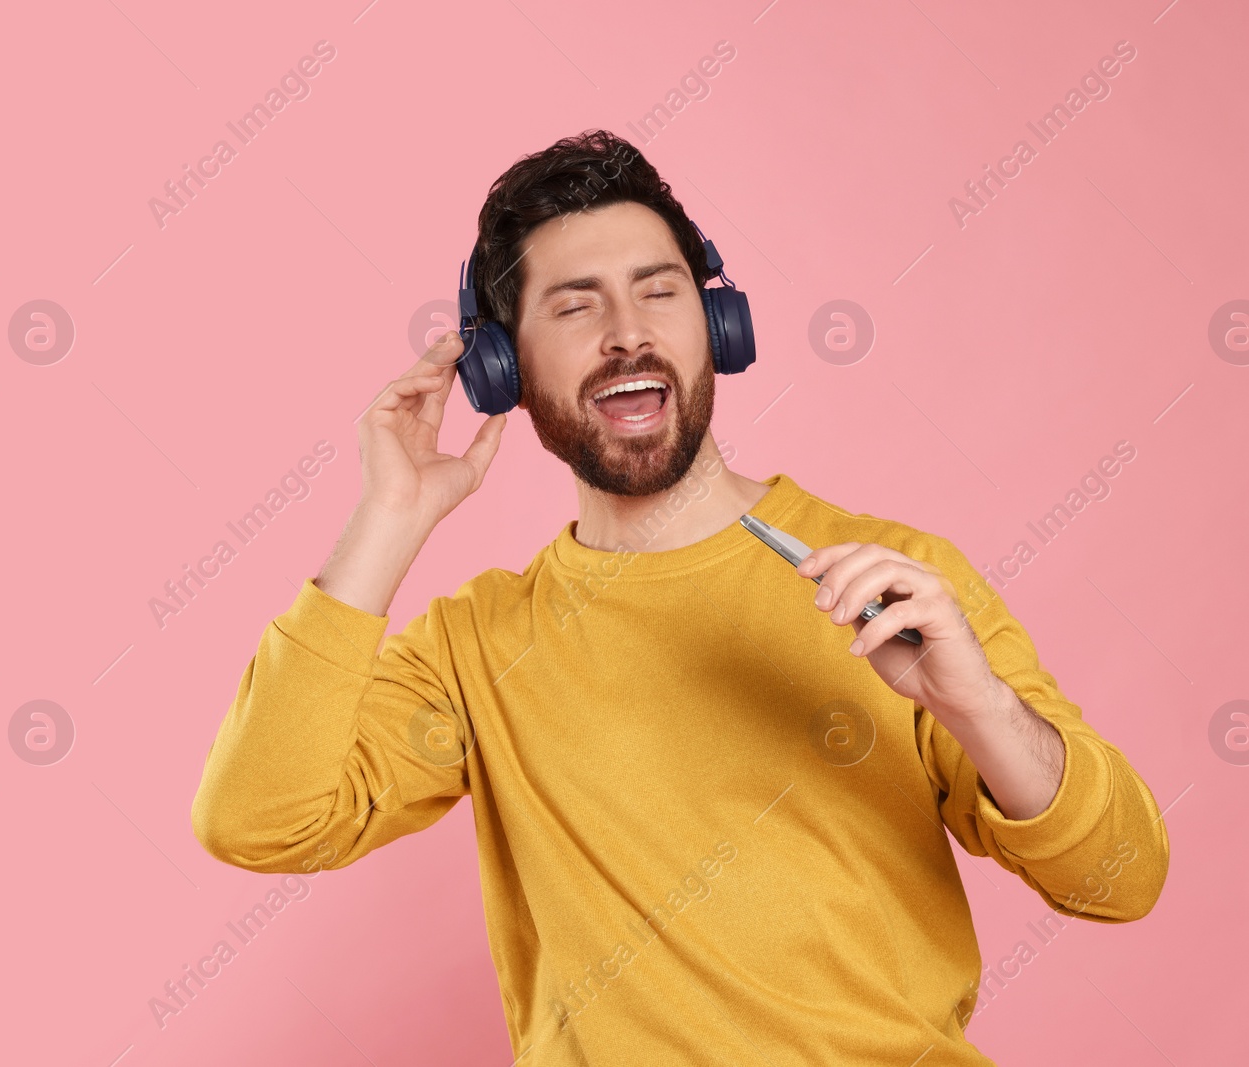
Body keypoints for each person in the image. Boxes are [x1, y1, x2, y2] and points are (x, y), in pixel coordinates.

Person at [190, 129, 1170, 1065]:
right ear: (501, 369)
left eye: (658, 293)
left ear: (718, 325)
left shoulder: (899, 580)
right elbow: (259, 819)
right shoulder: (476, 645)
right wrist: (389, 519)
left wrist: (978, 706)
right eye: (574, 307)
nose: (626, 334)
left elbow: (1120, 880)